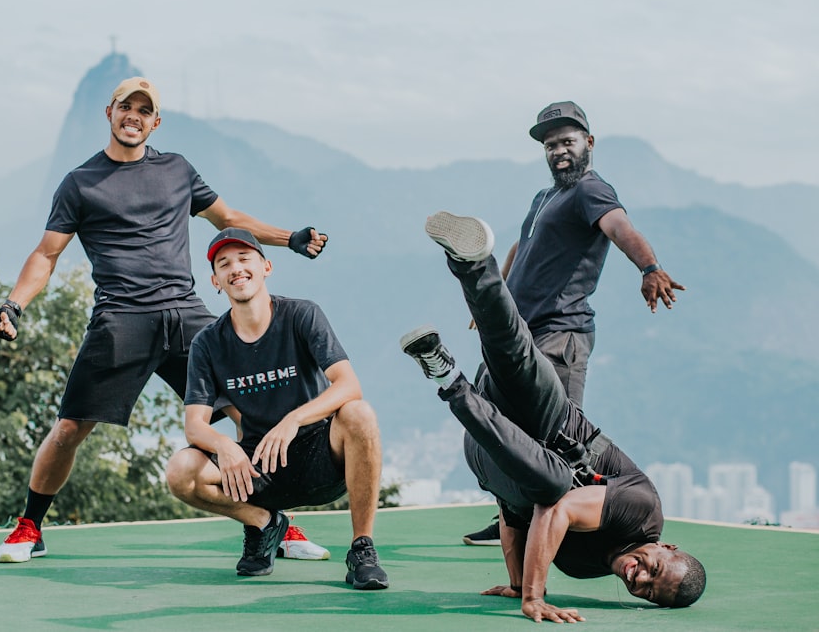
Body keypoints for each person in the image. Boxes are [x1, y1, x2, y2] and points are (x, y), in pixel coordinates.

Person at [0, 76, 328, 563]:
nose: (134, 115)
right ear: (109, 112)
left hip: (187, 315)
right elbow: (46, 254)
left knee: (243, 411)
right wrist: (13, 304)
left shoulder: (177, 169)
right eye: (125, 106)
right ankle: (30, 527)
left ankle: (277, 522)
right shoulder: (80, 183)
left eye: (143, 110)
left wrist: (289, 238)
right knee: (69, 429)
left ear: (156, 122)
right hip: (121, 319)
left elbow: (228, 217)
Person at [402, 211, 705, 623]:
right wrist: (531, 596)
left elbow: (516, 517)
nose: (639, 579)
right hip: (548, 422)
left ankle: (449, 379)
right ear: (666, 547)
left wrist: (515, 580)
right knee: (509, 344)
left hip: (492, 453)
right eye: (653, 570)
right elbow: (552, 513)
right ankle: (470, 262)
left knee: (551, 486)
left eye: (648, 592)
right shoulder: (642, 511)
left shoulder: (586, 567)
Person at [462, 101, 686, 547]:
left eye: (567, 142)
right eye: (550, 145)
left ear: (588, 143)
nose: (559, 151)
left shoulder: (591, 190)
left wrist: (649, 269)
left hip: (559, 335)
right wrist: (493, 298)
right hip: (520, 332)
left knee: (560, 435)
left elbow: (621, 228)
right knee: (505, 424)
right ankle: (513, 514)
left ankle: (585, 522)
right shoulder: (545, 197)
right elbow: (520, 249)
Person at [165, 228, 389, 589]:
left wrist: (293, 419)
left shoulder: (302, 315)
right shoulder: (208, 342)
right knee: (180, 470)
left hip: (321, 458)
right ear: (216, 281)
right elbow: (195, 425)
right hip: (258, 468)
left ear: (266, 266)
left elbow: (349, 384)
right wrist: (225, 447)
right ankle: (264, 524)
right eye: (224, 264)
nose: (236, 268)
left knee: (359, 413)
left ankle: (361, 549)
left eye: (244, 259)